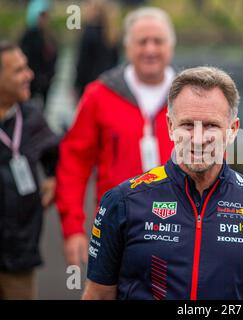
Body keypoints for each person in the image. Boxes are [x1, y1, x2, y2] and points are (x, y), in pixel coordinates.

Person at [83, 66, 243, 300]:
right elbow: (98, 295)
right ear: (170, 127)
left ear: (232, 130)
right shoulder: (123, 201)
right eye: (187, 125)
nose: (198, 139)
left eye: (211, 125)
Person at [55, 7, 175, 267]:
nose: (150, 50)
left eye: (158, 41)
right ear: (127, 46)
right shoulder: (99, 94)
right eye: (142, 41)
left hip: (180, 233)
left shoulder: (191, 96)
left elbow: (214, 162)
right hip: (117, 231)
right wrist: (73, 227)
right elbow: (74, 161)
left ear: (171, 46)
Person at [0, 41, 59, 299]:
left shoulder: (31, 116)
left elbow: (56, 153)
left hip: (20, 254)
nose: (30, 75)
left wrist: (54, 177)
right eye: (19, 70)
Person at [74, 0, 121, 99]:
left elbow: (82, 64)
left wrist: (76, 86)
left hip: (90, 85)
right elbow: (116, 62)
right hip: (109, 84)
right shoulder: (113, 35)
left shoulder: (89, 33)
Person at [19, 0, 58, 110]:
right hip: (32, 84)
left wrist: (49, 76)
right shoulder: (28, 36)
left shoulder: (49, 36)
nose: (44, 19)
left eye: (45, 15)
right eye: (41, 15)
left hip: (45, 84)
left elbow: (53, 57)